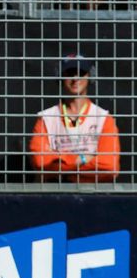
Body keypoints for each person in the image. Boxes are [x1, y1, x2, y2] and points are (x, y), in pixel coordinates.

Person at [29, 53, 120, 183]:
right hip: (54, 194)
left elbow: (109, 167)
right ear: (60, 77)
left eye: (81, 73)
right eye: (70, 73)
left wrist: (63, 170)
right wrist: (83, 159)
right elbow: (41, 163)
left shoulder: (103, 118)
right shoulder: (47, 118)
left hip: (94, 196)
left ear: (90, 77)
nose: (75, 78)